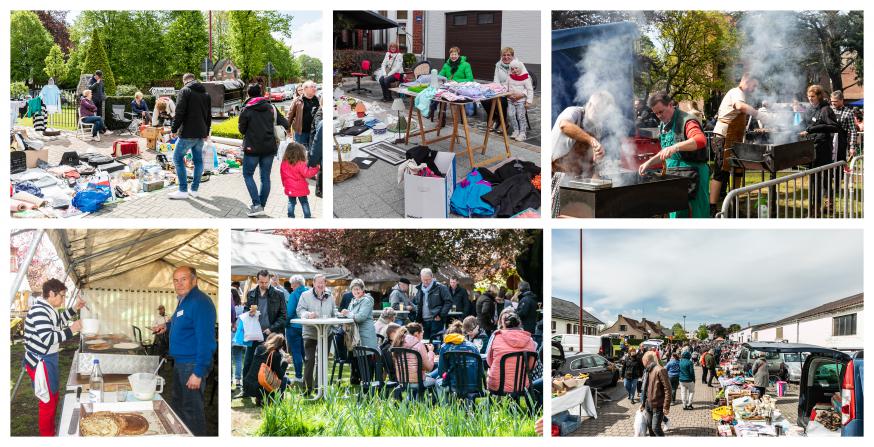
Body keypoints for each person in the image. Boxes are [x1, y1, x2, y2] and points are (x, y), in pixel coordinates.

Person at [152, 266, 216, 436]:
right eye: (175, 280)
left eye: (184, 279)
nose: (179, 283)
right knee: (179, 408)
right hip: (181, 363)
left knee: (192, 413)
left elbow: (206, 340)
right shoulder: (184, 300)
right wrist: (165, 326)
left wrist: (198, 372)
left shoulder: (200, 302)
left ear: (194, 280)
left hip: (192, 364)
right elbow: (181, 321)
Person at [23, 278, 86, 436]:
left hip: (48, 359)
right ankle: (48, 436)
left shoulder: (48, 308)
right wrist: (72, 329)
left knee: (53, 395)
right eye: (62, 295)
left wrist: (74, 308)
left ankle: (51, 428)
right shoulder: (39, 310)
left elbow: (59, 319)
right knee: (47, 401)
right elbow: (48, 338)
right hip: (40, 361)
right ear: (52, 293)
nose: (63, 299)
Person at [638, 91, 710, 218]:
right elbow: (666, 152)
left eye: (661, 111)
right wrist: (648, 163)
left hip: (694, 176)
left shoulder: (687, 121)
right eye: (656, 113)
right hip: (674, 177)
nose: (659, 116)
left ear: (670, 105)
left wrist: (676, 147)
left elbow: (700, 140)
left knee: (695, 216)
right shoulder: (663, 125)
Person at [709, 73, 760, 216]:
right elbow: (740, 106)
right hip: (723, 137)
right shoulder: (736, 93)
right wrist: (759, 114)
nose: (754, 89)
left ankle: (734, 205)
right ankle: (712, 208)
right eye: (753, 85)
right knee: (721, 172)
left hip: (735, 138)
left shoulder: (741, 93)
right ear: (746, 81)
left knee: (738, 169)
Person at [238, 83, 290, 217]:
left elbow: (242, 130)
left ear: (248, 94)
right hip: (269, 148)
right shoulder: (271, 107)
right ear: (261, 93)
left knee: (248, 175)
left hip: (252, 148)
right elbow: (286, 124)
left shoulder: (246, 109)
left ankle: (257, 205)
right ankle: (261, 204)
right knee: (265, 177)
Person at [550, 92, 616, 176]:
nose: (600, 116)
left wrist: (598, 156)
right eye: (598, 111)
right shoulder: (573, 112)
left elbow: (593, 160)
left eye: (603, 114)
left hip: (576, 177)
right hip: (555, 172)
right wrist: (591, 140)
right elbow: (564, 125)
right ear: (589, 105)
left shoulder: (597, 126)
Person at [241, 270, 287, 389]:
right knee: (249, 361)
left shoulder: (278, 294)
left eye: (266, 282)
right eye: (261, 282)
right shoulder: (251, 293)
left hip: (271, 334)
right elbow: (245, 310)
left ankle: (269, 386)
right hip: (254, 332)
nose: (264, 284)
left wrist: (271, 329)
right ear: (257, 280)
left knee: (271, 362)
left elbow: (283, 316)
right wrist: (249, 313)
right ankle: (246, 388)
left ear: (269, 280)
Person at [168, 73, 211, 201]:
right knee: (198, 161)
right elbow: (209, 116)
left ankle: (183, 190)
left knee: (177, 158)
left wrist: (174, 129)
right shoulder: (206, 94)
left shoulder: (185, 91)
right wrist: (206, 133)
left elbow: (179, 112)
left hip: (187, 133)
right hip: (201, 134)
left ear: (184, 81)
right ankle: (194, 189)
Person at [800, 85, 841, 214]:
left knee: (824, 178)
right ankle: (815, 207)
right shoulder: (809, 110)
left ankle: (828, 205)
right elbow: (803, 125)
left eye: (812, 96)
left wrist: (812, 129)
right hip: (811, 147)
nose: (810, 99)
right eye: (809, 96)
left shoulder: (826, 110)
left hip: (823, 148)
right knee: (813, 178)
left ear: (819, 96)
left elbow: (834, 127)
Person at [296, 274, 335, 394]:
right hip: (310, 332)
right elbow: (299, 310)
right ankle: (308, 388)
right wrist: (308, 314)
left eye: (322, 283)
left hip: (326, 332)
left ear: (325, 284)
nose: (320, 285)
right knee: (310, 359)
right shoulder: (305, 295)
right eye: (318, 283)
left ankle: (320, 387)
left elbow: (333, 312)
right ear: (313, 283)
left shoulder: (330, 296)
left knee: (323, 359)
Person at [486, 312, 536, 394]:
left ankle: (496, 404)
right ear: (519, 324)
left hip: (498, 386)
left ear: (504, 325)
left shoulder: (496, 337)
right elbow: (531, 366)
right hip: (522, 385)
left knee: (489, 371)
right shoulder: (529, 340)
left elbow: (489, 362)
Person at [429, 320, 481, 393]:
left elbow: (441, 372)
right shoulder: (473, 346)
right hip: (474, 384)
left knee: (438, 382)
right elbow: (480, 370)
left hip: (454, 385)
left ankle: (445, 404)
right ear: (463, 334)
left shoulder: (445, 347)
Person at [242, 333, 289, 405]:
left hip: (248, 385)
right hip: (260, 387)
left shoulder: (260, 348)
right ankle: (275, 400)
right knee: (285, 379)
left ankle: (260, 399)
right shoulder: (276, 354)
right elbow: (280, 375)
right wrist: (285, 362)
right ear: (281, 346)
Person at [280, 141, 320, 218]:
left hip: (289, 187)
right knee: (304, 202)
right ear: (300, 153)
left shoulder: (284, 162)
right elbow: (307, 173)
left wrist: (284, 183)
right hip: (300, 188)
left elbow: (282, 174)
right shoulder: (300, 163)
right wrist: (316, 168)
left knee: (291, 202)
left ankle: (291, 216)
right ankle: (307, 216)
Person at [392, 322, 436, 387]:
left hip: (401, 381)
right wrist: (430, 352)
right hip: (418, 381)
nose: (422, 336)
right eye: (422, 333)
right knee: (435, 381)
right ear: (416, 334)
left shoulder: (398, 343)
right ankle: (421, 397)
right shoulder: (419, 345)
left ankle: (412, 397)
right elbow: (429, 368)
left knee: (429, 376)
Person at [484, 47, 516, 133]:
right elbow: (496, 79)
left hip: (511, 91)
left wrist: (505, 91)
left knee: (501, 101)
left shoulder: (517, 65)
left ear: (512, 56)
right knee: (484, 98)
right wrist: (497, 89)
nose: (506, 57)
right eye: (504, 55)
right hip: (500, 89)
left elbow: (517, 81)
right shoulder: (498, 65)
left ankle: (503, 122)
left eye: (508, 55)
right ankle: (494, 117)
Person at [413, 268, 452, 340]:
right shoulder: (419, 289)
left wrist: (440, 315)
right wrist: (418, 320)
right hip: (423, 321)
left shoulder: (440, 287)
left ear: (432, 277)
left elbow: (448, 302)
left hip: (436, 320)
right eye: (424, 279)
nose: (426, 282)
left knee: (435, 343)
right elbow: (418, 305)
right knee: (425, 342)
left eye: (428, 279)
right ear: (421, 278)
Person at [640, 351, 671, 437]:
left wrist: (666, 406)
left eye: (643, 360)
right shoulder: (647, 370)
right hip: (648, 404)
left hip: (658, 405)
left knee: (655, 428)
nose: (642, 362)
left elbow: (668, 389)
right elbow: (645, 388)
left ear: (647, 360)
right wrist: (643, 403)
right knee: (650, 427)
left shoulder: (660, 370)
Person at [340, 278, 378, 349]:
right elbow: (349, 314)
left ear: (363, 289)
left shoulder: (366, 301)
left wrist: (347, 313)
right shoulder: (353, 300)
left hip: (365, 336)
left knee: (365, 359)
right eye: (354, 289)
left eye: (358, 289)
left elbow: (360, 318)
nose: (356, 291)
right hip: (355, 335)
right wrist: (344, 313)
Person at [284, 275, 307, 381]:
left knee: (296, 352)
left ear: (297, 284)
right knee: (305, 352)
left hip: (294, 327)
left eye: (292, 284)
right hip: (307, 326)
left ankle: (298, 376)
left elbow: (290, 312)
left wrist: (285, 324)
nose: (291, 287)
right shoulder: (309, 292)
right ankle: (308, 374)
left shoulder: (294, 294)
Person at [504, 59, 534, 141]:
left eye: (516, 68)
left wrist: (528, 101)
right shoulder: (509, 77)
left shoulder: (526, 78)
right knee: (511, 115)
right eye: (512, 69)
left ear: (520, 67)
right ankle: (516, 130)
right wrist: (507, 92)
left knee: (520, 116)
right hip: (510, 100)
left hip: (521, 101)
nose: (514, 70)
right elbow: (506, 86)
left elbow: (529, 90)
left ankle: (522, 133)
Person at [286, 80, 321, 150]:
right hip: (301, 133)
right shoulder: (297, 100)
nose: (315, 88)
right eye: (312, 87)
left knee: (313, 153)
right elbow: (290, 115)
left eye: (315, 87)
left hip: (314, 132)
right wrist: (287, 129)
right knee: (300, 153)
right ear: (305, 89)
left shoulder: (318, 100)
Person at [831, 90, 858, 160]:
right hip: (829, 142)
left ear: (841, 100)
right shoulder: (829, 110)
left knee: (839, 165)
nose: (833, 103)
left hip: (841, 143)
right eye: (832, 101)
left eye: (835, 101)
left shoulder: (848, 112)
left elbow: (853, 130)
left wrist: (852, 147)